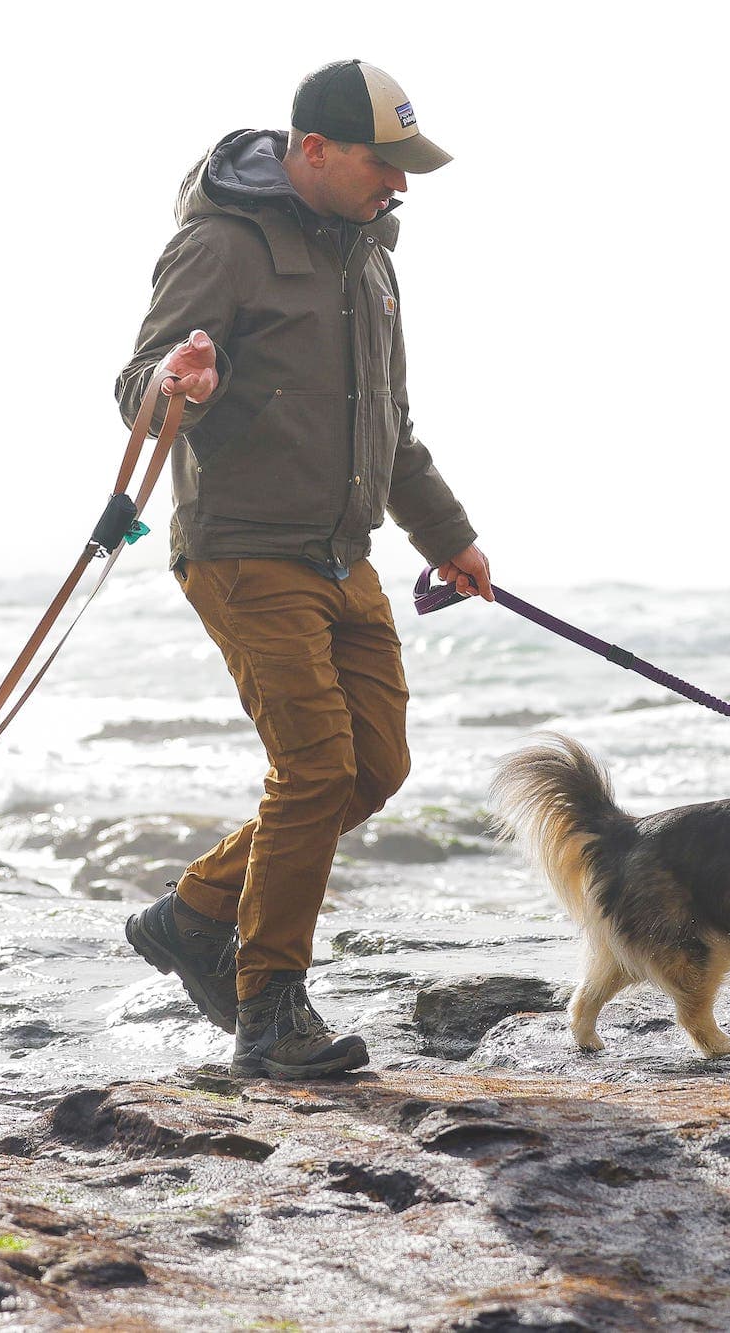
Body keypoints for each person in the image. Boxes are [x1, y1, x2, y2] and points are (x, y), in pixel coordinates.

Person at [113, 58, 492, 1079]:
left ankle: (192, 916)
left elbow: (390, 426)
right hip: (242, 551)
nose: (401, 184)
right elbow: (140, 390)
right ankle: (269, 1011)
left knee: (374, 768)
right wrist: (176, 383)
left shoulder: (370, 257)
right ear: (313, 150)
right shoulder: (220, 245)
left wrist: (446, 537)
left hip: (344, 555)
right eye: (385, 161)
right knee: (315, 769)